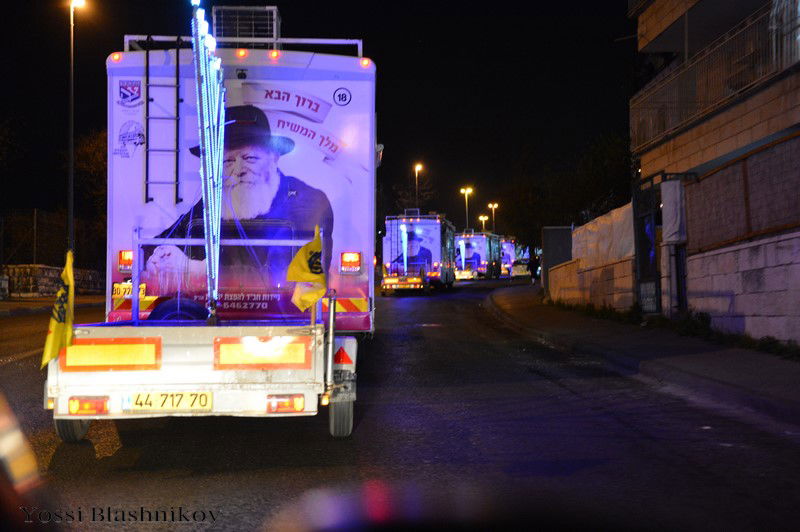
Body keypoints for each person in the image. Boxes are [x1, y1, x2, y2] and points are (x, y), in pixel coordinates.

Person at [142, 105, 333, 294]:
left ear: (273, 158)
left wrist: (196, 271)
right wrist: (158, 258)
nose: (239, 170)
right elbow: (154, 245)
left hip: (289, 317)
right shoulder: (216, 201)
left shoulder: (306, 203)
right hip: (211, 317)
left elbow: (284, 277)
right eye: (228, 161)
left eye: (250, 158)